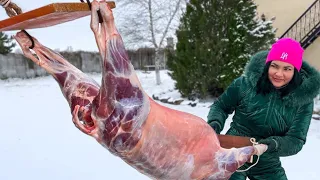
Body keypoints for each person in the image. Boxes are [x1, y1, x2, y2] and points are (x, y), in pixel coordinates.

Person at [207, 37, 320, 180]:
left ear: (296, 71)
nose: (279, 74)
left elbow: (295, 140)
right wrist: (214, 125)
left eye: (287, 69)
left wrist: (268, 146)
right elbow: (221, 106)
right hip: (233, 150)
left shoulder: (303, 100)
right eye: (275, 66)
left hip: (268, 158)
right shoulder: (245, 84)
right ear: (268, 65)